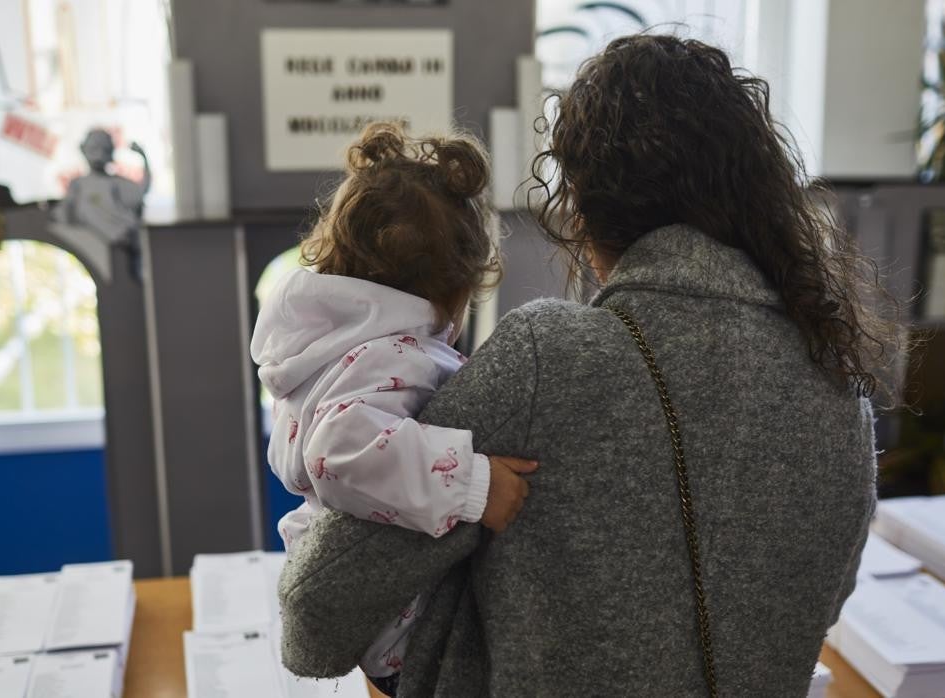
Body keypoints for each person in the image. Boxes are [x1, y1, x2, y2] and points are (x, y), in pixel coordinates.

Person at [275, 34, 901, 697]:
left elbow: (316, 616)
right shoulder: (840, 387)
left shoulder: (550, 361)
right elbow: (813, 613)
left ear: (580, 203)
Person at [250, 122, 538, 694]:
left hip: (364, 599)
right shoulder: (393, 354)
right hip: (403, 626)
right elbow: (338, 451)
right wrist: (474, 485)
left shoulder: (332, 347)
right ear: (453, 290)